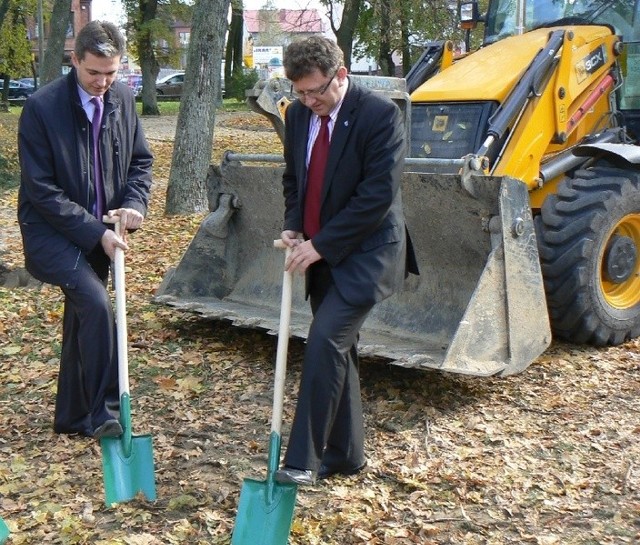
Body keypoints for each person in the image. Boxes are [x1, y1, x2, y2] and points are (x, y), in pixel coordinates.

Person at [275, 36, 418, 485]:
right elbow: (294, 179)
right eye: (300, 92)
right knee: (341, 350)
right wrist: (295, 225)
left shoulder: (379, 116)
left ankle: (302, 460)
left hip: (368, 255)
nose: (309, 100)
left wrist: (321, 244)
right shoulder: (298, 115)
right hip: (320, 255)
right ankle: (347, 454)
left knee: (324, 341)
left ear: (341, 75)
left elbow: (376, 196)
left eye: (316, 91)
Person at [17, 21, 153, 440]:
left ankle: (72, 416)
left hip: (102, 231)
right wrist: (96, 233)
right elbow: (41, 190)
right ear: (74, 60)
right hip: (50, 230)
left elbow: (140, 163)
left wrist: (133, 204)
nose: (102, 82)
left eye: (111, 72)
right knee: (95, 305)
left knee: (82, 318)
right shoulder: (42, 108)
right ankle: (105, 414)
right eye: (94, 72)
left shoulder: (122, 98)